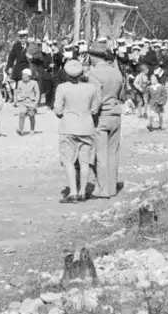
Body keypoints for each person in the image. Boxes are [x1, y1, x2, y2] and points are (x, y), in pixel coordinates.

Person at [54, 58, 102, 203]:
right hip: (86, 126)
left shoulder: (62, 88)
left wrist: (65, 113)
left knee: (68, 160)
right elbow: (95, 110)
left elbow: (57, 109)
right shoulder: (91, 87)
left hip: (68, 126)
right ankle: (82, 192)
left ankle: (73, 192)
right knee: (85, 161)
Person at [87, 41, 126, 199]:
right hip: (116, 114)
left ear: (93, 57)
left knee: (100, 153)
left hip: (102, 115)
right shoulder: (117, 72)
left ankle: (102, 189)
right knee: (113, 152)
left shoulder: (94, 74)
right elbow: (122, 95)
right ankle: (111, 187)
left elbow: (95, 99)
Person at [14, 68, 40, 135]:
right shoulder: (19, 82)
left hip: (31, 102)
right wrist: (15, 101)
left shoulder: (34, 83)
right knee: (22, 114)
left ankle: (32, 129)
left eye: (26, 75)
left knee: (31, 116)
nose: (24, 77)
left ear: (29, 76)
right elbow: (17, 92)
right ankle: (20, 129)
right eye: (23, 75)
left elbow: (37, 93)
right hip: (22, 101)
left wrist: (36, 102)